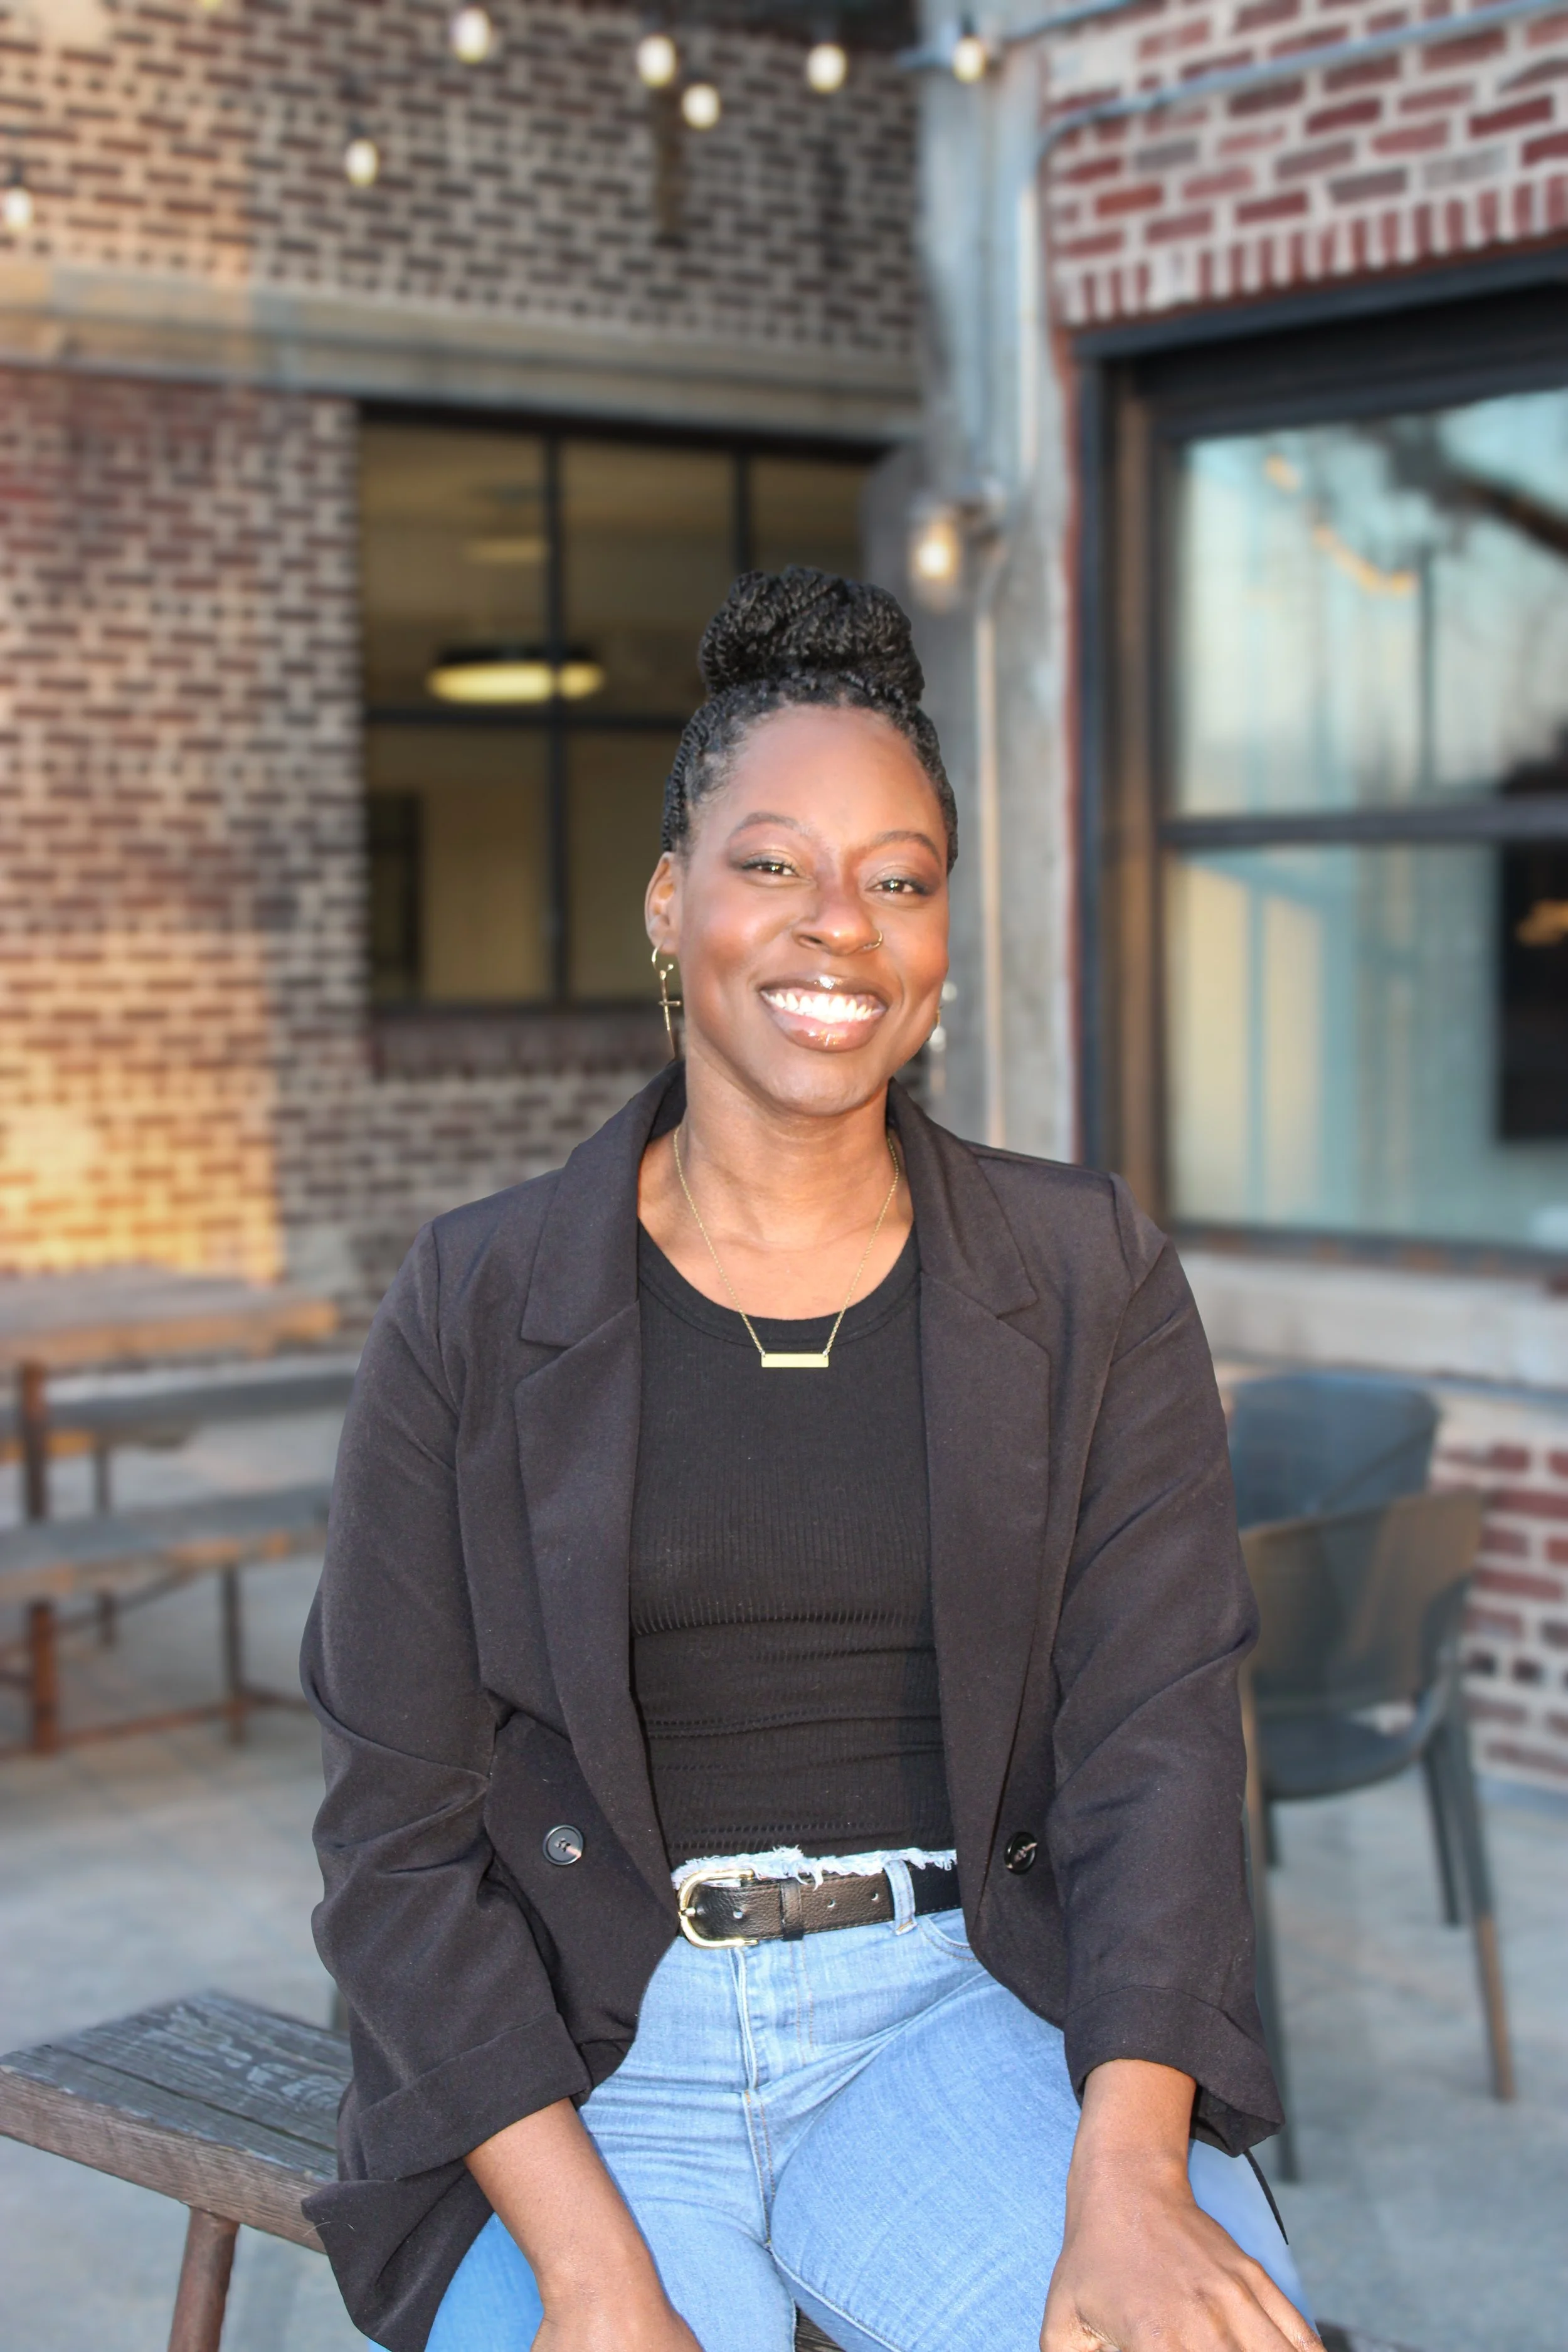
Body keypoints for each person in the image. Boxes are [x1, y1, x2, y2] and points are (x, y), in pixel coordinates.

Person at [303, 568, 1318, 2352]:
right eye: (770, 863)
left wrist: (1130, 2177)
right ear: (667, 899)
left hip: (972, 2013)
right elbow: (394, 1828)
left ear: (939, 929)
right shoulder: (476, 1298)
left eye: (899, 878)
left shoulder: (1084, 1275)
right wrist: (597, 2276)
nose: (835, 924)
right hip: (590, 2046)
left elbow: (1156, 1748)